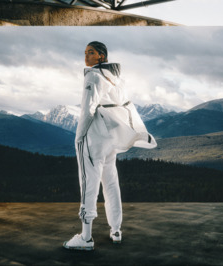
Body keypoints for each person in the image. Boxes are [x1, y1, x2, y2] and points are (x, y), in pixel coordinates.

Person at [63, 41, 157, 251]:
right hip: (110, 140)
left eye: (91, 53)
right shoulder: (116, 79)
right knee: (111, 183)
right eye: (85, 52)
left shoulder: (93, 76)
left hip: (94, 139)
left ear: (102, 57)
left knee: (89, 184)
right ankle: (116, 230)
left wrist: (79, 138)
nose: (86, 56)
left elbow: (87, 110)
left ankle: (86, 237)